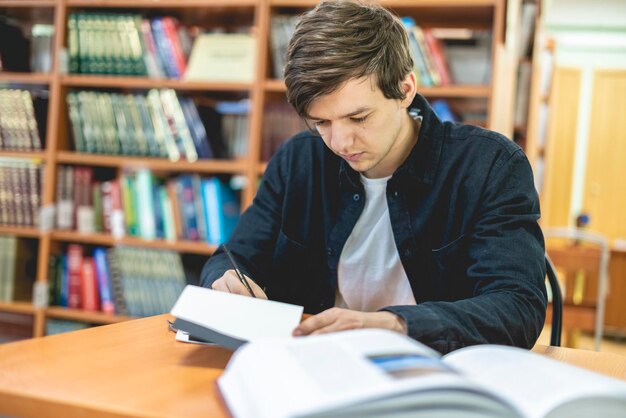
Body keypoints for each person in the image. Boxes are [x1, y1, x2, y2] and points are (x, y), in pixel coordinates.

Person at [201, 0, 547, 354]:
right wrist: (226, 282)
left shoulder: (490, 167)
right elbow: (233, 256)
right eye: (322, 122)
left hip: (434, 372)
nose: (340, 142)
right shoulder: (298, 160)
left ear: (406, 88)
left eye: (359, 118)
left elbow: (518, 308)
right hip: (314, 367)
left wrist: (395, 325)